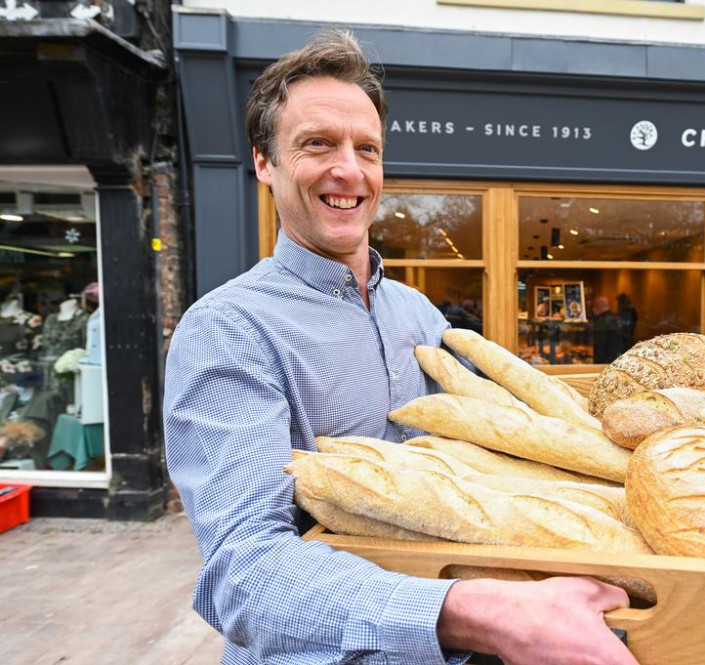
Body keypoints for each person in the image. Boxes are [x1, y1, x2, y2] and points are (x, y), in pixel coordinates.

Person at [163, 29, 637, 665]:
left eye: (367, 149)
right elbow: (244, 575)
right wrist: (479, 614)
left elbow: (489, 451)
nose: (349, 171)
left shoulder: (416, 312)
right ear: (264, 163)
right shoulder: (228, 328)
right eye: (316, 145)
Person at [591, 295, 626, 363]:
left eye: (593, 307)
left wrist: (595, 362)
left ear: (596, 307)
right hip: (618, 359)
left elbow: (599, 345)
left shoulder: (601, 321)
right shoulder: (618, 318)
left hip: (604, 361)